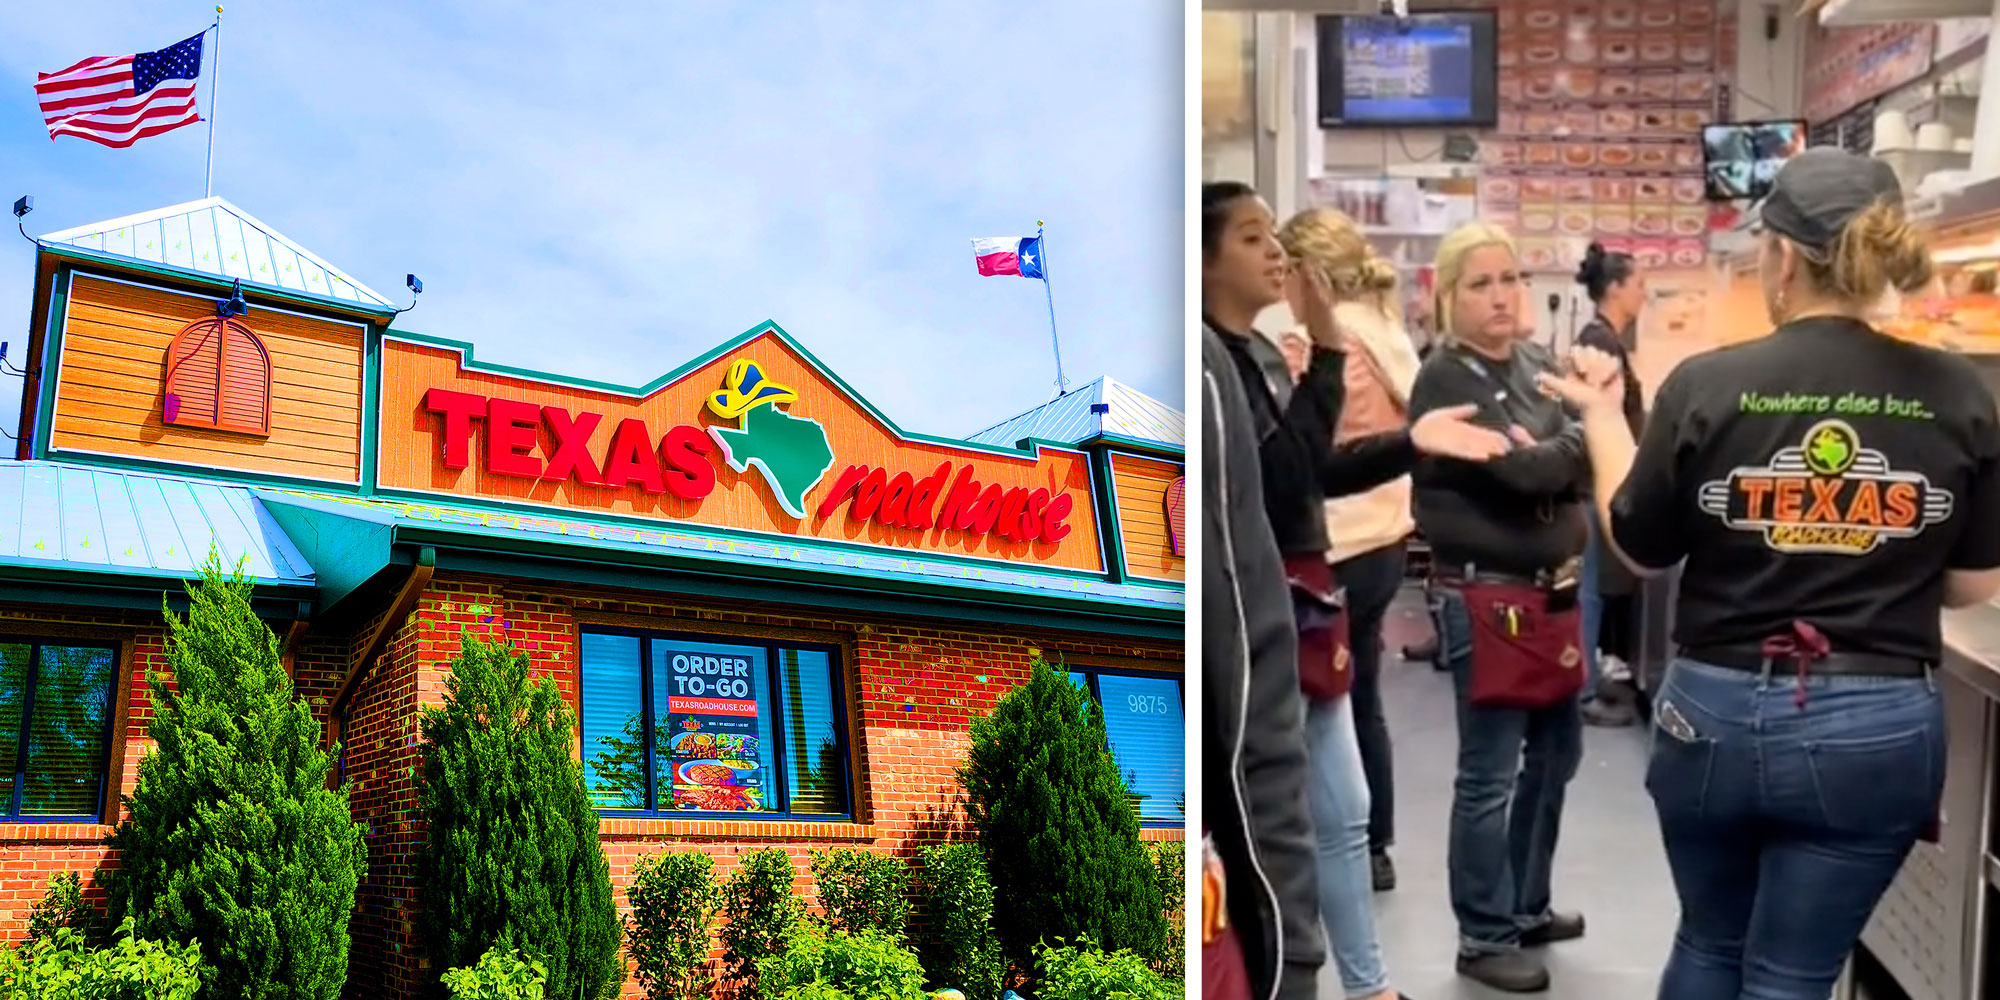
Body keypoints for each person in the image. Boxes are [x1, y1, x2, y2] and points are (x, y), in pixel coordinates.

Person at [1541, 148, 2000, 1000]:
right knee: (1794, 973)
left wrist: (1602, 416)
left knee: (1710, 943)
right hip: (1876, 724)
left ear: (1783, 258)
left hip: (1713, 711)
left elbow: (1640, 551)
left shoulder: (1710, 383)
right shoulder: (1958, 391)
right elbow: (1974, 587)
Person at [1203, 181, 1510, 1000]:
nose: (1275, 252)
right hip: (1259, 612)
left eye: (1274, 235)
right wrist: (1331, 350)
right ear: (1202, 261)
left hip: (1307, 593)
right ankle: (1311, 978)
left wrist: (1411, 440)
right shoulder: (1215, 367)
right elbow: (1292, 471)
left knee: (1341, 807)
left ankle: (1366, 984)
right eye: (1250, 238)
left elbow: (1314, 473)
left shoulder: (1257, 356)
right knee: (1283, 813)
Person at [1408, 222, 1590, 993]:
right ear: (1448, 296)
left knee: (1557, 756)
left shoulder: (1536, 364)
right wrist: (1563, 447)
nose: (1501, 296)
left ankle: (1524, 903)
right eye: (1480, 284)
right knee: (1489, 775)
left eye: (1510, 279)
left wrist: (1557, 447)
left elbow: (1579, 449)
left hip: (1554, 593)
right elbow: (1525, 473)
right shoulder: (1446, 379)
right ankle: (1483, 936)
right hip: (1486, 600)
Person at [1278, 208, 1424, 893]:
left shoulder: (1321, 341)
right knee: (1362, 691)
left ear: (1308, 274)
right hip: (1388, 536)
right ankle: (1375, 844)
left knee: (1320, 702)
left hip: (1333, 539)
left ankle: (1331, 841)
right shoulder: (1390, 331)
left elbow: (1303, 446)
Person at [1202, 319, 1323, 1000]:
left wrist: (1292, 943)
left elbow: (1253, 669)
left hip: (1222, 893)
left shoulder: (1222, 366)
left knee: (1348, 803)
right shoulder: (1212, 367)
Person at [1572, 243, 1647, 728]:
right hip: (1592, 482)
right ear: (1615, 288)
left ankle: (1586, 679)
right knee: (1589, 590)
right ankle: (1581, 693)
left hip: (1600, 478)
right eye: (1638, 285)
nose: (1644, 294)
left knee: (1593, 588)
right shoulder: (1600, 343)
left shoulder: (1605, 339)